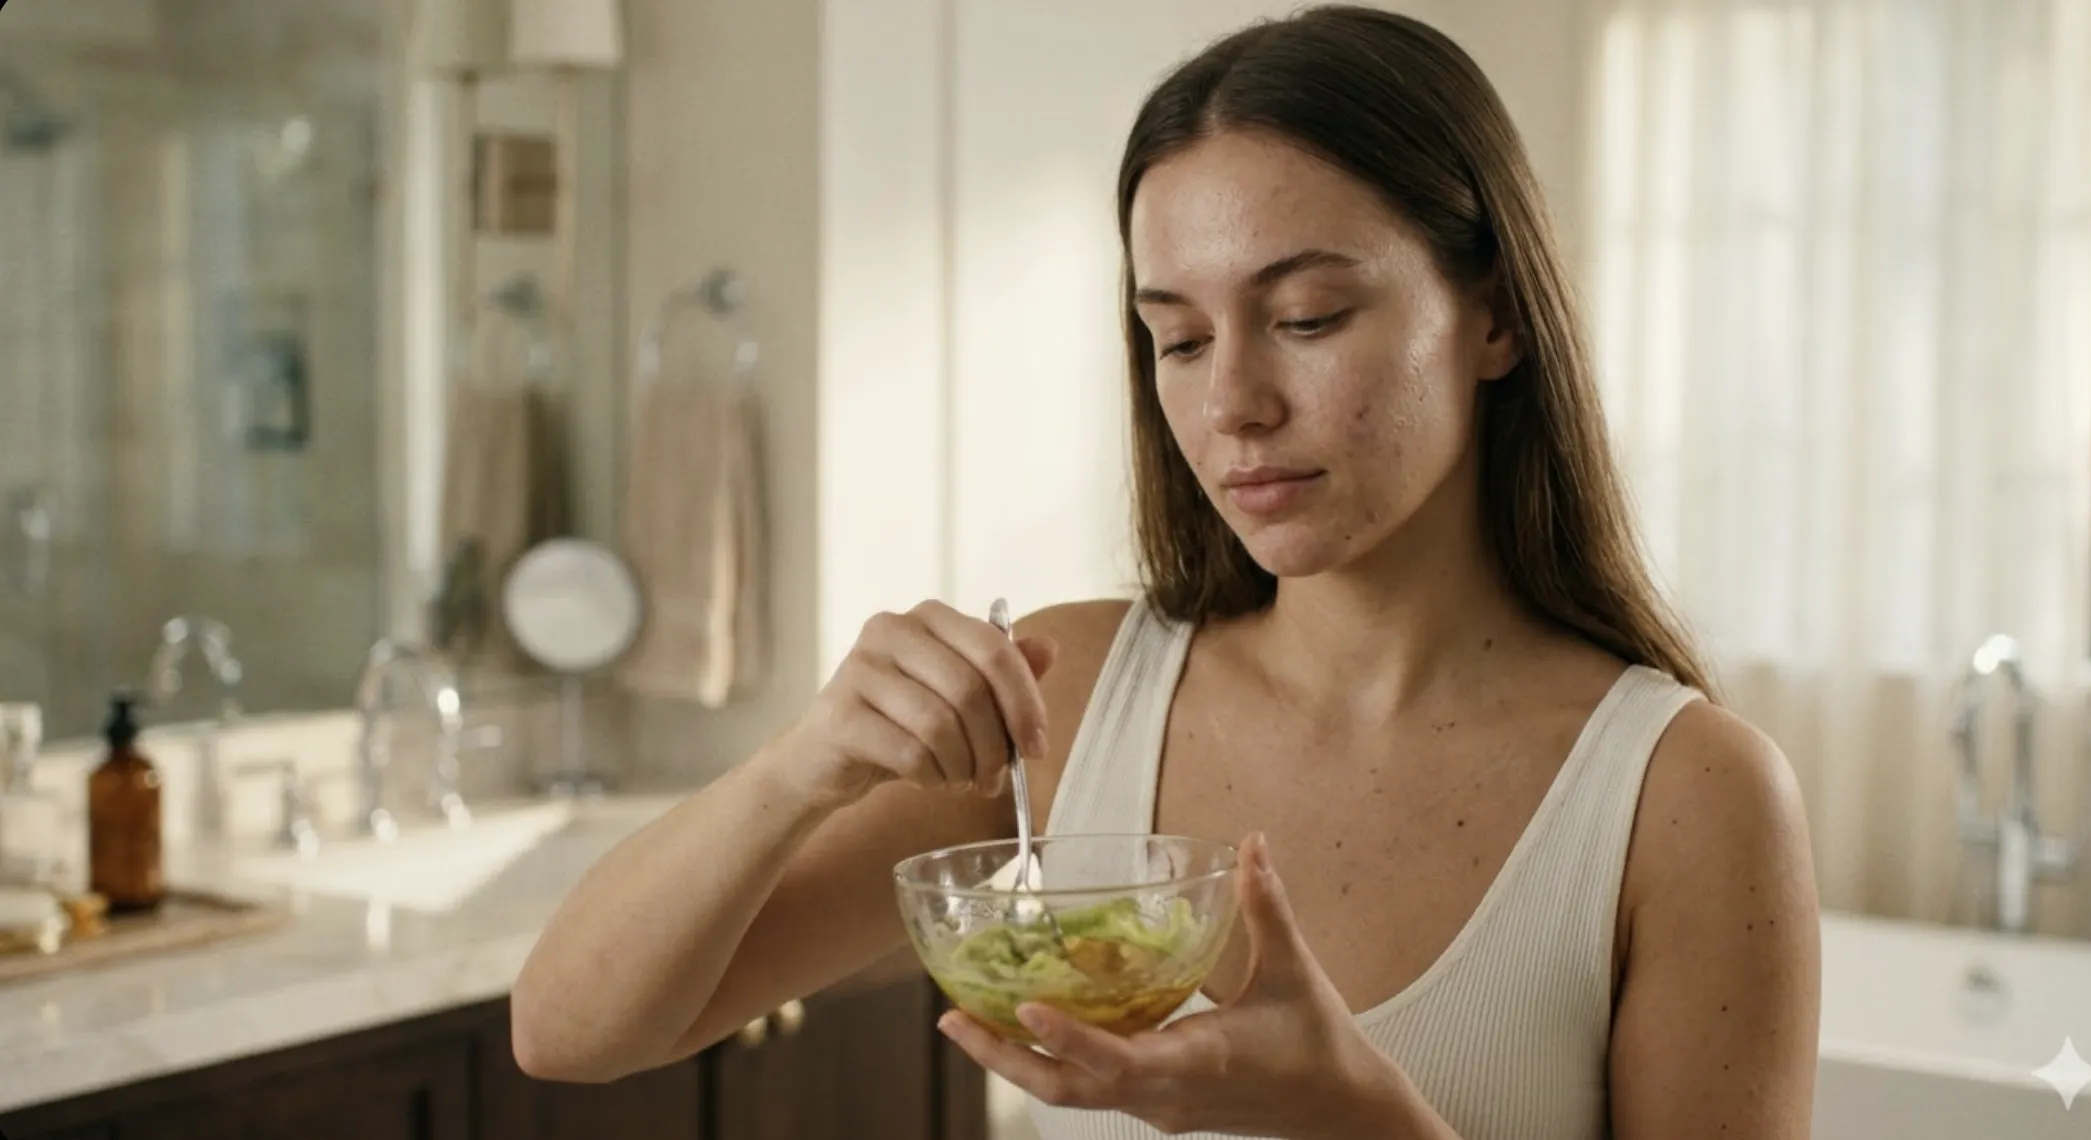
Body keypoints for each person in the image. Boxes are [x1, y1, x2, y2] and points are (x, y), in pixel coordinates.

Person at [509, 6, 1822, 1138]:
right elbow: (573, 1030)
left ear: (1493, 317)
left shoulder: (1686, 797)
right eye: (1178, 339)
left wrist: (1356, 1118)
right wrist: (800, 768)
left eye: (1307, 319)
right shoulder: (1066, 703)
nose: (1235, 403)